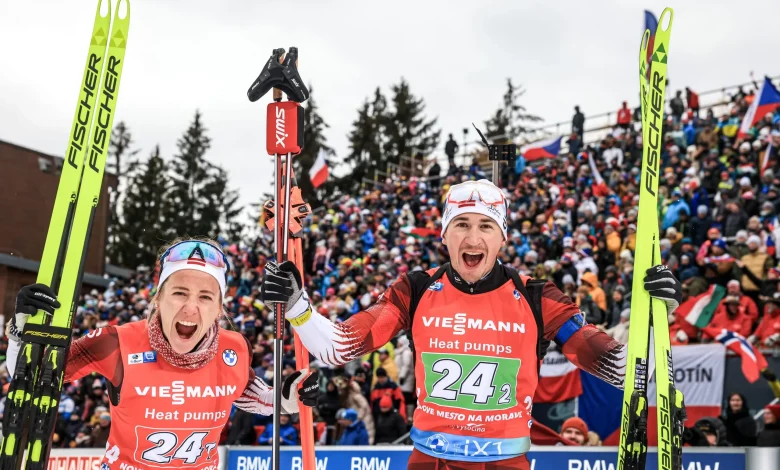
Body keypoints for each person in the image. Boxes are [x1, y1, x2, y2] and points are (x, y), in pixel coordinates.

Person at [263, 179, 682, 469]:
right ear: (445, 235)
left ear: (502, 238)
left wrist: (655, 318)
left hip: (506, 462)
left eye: (485, 226)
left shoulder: (537, 297)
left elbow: (612, 362)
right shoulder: (416, 289)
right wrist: (298, 304)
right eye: (461, 225)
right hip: (431, 461)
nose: (473, 237)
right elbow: (339, 347)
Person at [5, 238, 320, 469]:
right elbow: (30, 379)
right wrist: (22, 331)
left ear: (219, 308)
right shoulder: (117, 343)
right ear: (158, 298)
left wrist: (288, 398)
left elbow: (251, 394)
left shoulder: (234, 347)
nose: (190, 308)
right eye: (179, 292)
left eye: (206, 297)